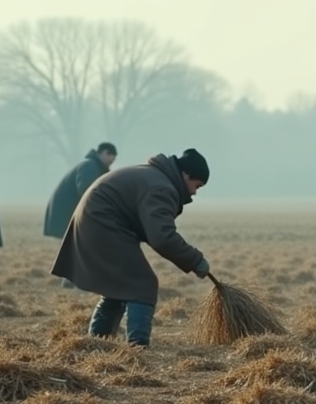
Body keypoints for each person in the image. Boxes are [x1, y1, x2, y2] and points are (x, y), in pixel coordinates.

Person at [51, 149, 211, 348]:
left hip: (94, 221)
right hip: (103, 224)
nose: (195, 192)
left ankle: (97, 343)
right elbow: (162, 237)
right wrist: (195, 260)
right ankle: (137, 347)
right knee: (142, 284)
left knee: (120, 285)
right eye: (197, 185)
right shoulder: (161, 187)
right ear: (186, 175)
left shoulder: (154, 176)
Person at [44, 142, 117, 288]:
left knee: (77, 247)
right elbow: (86, 190)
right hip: (66, 214)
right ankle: (77, 282)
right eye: (111, 157)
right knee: (81, 247)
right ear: (104, 153)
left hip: (72, 214)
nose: (112, 161)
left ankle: (70, 282)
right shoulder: (89, 166)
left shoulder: (95, 167)